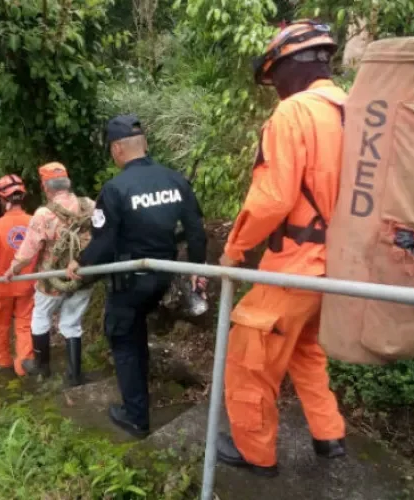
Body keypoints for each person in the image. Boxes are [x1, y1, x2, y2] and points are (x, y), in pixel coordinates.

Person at [214, 20, 348, 478]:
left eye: (273, 77)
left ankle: (255, 455)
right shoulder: (355, 110)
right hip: (339, 268)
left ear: (290, 66)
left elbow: (271, 197)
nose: (274, 89)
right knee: (305, 350)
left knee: (249, 360)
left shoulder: (294, 114)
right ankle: (330, 436)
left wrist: (234, 251)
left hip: (295, 266)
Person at [65, 115, 206, 438]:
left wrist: (79, 263)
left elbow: (104, 243)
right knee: (137, 331)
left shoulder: (115, 189)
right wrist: (199, 271)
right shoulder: (175, 180)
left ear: (117, 149)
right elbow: (196, 233)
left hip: (130, 282)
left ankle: (136, 417)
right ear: (144, 145)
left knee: (124, 339)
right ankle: (139, 401)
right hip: (165, 278)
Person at [0, 163, 97, 387]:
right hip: (83, 276)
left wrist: (12, 270)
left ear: (45, 187)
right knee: (72, 323)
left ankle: (42, 366)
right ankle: (74, 375)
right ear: (67, 182)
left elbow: (28, 251)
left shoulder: (44, 214)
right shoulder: (89, 205)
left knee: (40, 316)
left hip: (51, 279)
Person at [0, 174, 38, 376]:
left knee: (0, 325)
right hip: (27, 284)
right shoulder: (34, 222)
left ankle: (3, 363)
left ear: (2, 199)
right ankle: (23, 366)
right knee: (25, 324)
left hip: (1, 286)